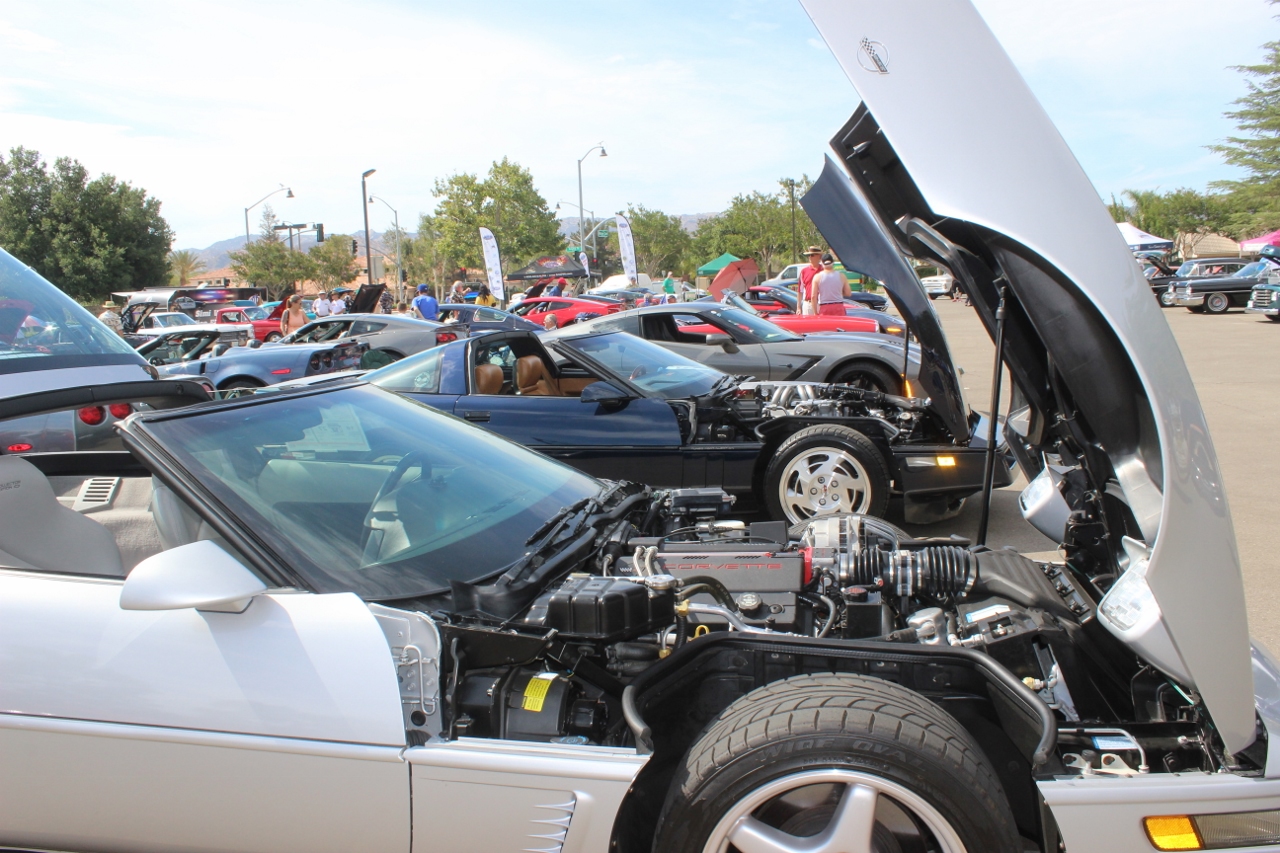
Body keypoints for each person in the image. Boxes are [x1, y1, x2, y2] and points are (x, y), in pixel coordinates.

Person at [797, 246, 824, 315]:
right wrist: (798, 307)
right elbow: (800, 291)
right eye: (809, 255)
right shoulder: (804, 271)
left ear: (819, 256)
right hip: (808, 305)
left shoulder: (824, 271)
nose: (810, 257)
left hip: (821, 304)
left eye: (812, 255)